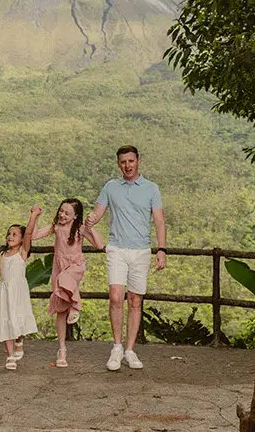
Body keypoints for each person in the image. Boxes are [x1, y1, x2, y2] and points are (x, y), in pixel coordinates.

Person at [85, 145, 167, 371]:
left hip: (141, 250)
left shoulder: (151, 189)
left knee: (135, 301)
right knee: (115, 296)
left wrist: (162, 249)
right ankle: (117, 347)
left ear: (138, 160)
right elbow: (98, 213)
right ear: (118, 163)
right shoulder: (111, 187)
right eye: (123, 162)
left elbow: (159, 221)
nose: (127, 166)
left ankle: (130, 350)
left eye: (131, 161)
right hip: (117, 248)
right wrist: (91, 221)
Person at [34, 198, 104, 368]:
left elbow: (100, 245)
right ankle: (61, 350)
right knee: (60, 310)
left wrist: (90, 227)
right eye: (61, 211)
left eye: (67, 213)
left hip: (75, 266)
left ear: (75, 216)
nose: (62, 215)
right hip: (59, 267)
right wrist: (35, 217)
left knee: (64, 279)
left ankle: (76, 305)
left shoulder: (79, 229)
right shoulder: (56, 227)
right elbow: (35, 236)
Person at [0, 205, 43, 370]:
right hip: (5, 292)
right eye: (9, 234)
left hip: (18, 291)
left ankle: (19, 339)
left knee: (17, 318)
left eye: (14, 234)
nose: (10, 236)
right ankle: (10, 356)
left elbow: (28, 234)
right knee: (6, 320)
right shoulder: (3, 255)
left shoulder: (22, 252)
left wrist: (34, 216)